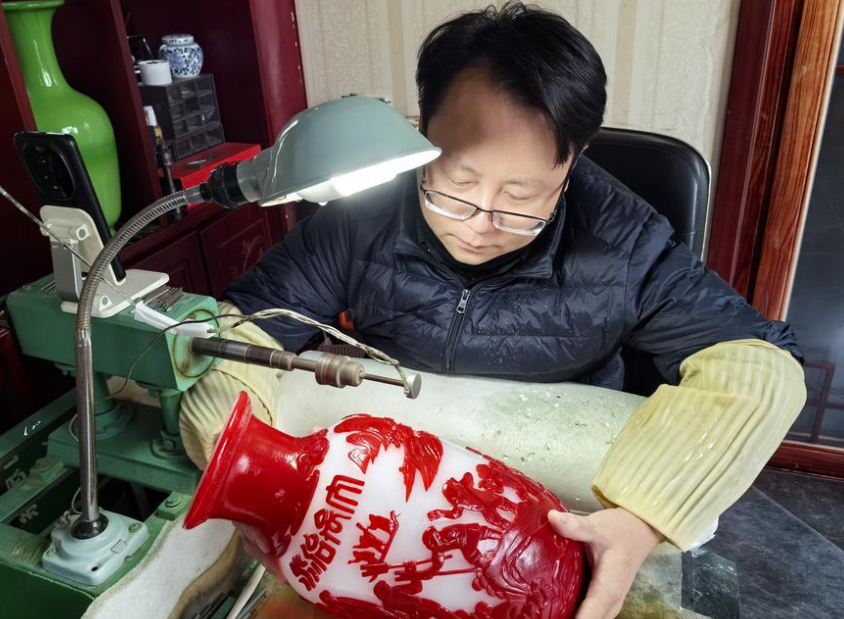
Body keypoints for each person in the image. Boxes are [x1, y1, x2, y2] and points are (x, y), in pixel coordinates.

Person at [181, 3, 806, 618]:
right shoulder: (363, 214)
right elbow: (243, 328)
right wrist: (236, 463)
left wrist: (645, 517)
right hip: (386, 490)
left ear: (574, 159)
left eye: (520, 197)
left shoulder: (625, 244)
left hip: (551, 520)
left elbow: (761, 366)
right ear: (422, 127)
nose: (480, 224)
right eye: (457, 183)